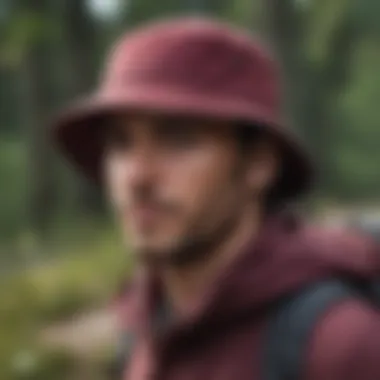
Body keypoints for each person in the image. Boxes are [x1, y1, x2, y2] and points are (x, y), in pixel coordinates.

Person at [52, 17, 380, 380]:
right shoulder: (142, 329)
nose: (137, 176)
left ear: (259, 163)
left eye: (177, 138)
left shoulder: (338, 346)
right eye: (120, 143)